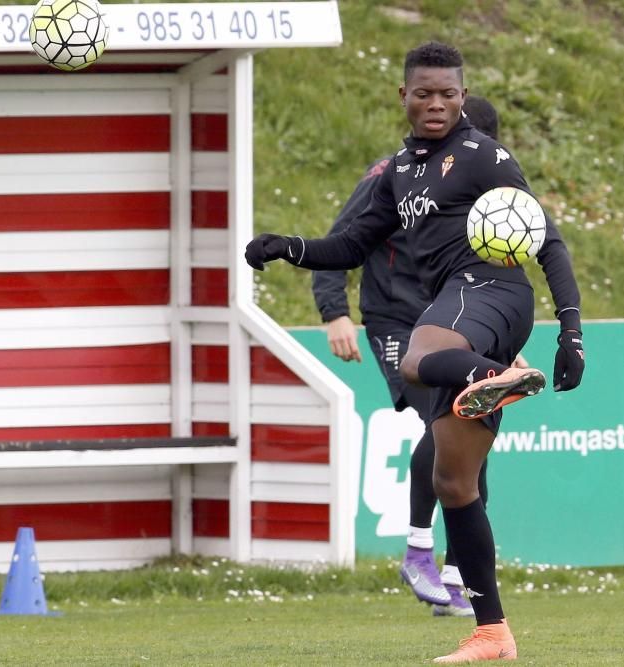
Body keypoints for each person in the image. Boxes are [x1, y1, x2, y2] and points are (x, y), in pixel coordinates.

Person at [246, 41, 585, 662]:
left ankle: (502, 374)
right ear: (403, 96)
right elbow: (349, 246)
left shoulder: (484, 156)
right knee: (455, 482)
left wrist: (572, 330)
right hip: (461, 313)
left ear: (463, 95)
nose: (436, 104)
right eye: (424, 93)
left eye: (448, 94)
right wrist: (286, 246)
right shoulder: (401, 170)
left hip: (491, 293)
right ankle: (493, 633)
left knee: (416, 356)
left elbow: (549, 243)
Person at [310, 96, 507, 619]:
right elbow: (340, 243)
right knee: (443, 419)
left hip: (451, 323)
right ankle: (419, 549)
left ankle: (455, 575)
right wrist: (335, 312)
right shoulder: (391, 176)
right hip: (397, 321)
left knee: (471, 428)